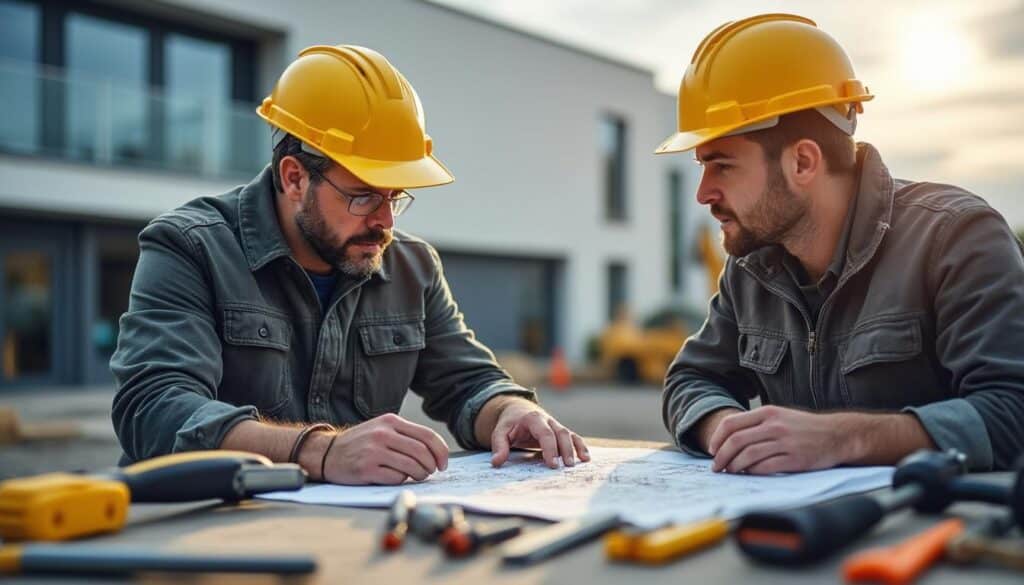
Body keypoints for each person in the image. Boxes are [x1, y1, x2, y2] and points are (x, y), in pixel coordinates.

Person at [111, 45, 589, 484]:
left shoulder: (411, 266)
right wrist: (320, 451)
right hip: (196, 528)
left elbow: (469, 382)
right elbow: (154, 409)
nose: (384, 221)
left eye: (395, 197)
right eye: (362, 197)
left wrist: (507, 410)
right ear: (295, 177)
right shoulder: (190, 247)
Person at [657, 14, 1024, 473]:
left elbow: (1013, 412)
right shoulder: (752, 267)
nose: (703, 193)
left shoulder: (955, 237)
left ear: (803, 162)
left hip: (939, 533)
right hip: (797, 535)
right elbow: (691, 378)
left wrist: (842, 439)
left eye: (723, 166)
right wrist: (726, 428)